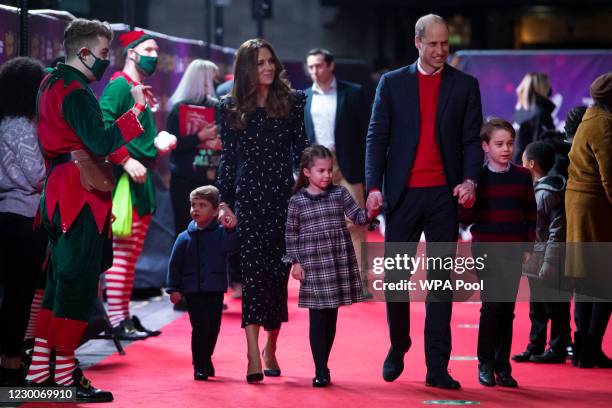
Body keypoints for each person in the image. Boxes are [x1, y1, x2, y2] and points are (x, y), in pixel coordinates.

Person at [24, 18, 149, 402]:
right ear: (83, 52)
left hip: (61, 193)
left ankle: (38, 375)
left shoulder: (50, 83)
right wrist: (137, 111)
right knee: (74, 289)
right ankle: (62, 380)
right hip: (79, 195)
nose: (106, 59)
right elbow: (100, 140)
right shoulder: (75, 91)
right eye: (103, 52)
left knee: (58, 288)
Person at [365, 14, 483, 389]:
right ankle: (399, 344)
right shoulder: (392, 83)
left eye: (445, 43)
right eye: (433, 44)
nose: (440, 51)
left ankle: (437, 367)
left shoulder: (465, 85)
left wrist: (469, 180)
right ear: (417, 42)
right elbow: (376, 138)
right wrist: (373, 186)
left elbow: (469, 142)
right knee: (397, 280)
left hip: (444, 197)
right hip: (402, 195)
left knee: (440, 284)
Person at [217, 38, 309, 383]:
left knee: (276, 277)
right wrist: (224, 201)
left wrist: (306, 192)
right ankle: (253, 353)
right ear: (246, 68)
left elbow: (301, 150)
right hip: (248, 200)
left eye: (271, 61)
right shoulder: (229, 106)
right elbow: (227, 159)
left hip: (283, 200)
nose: (268, 67)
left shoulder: (293, 101)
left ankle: (271, 344)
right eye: (260, 63)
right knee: (253, 277)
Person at [99, 30, 176, 340]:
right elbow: (102, 129)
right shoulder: (119, 86)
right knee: (121, 254)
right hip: (123, 182)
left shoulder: (139, 88)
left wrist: (157, 145)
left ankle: (122, 317)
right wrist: (123, 160)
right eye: (148, 48)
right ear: (131, 52)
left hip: (140, 180)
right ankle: (117, 321)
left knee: (130, 257)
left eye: (157, 49)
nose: (154, 54)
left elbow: (136, 138)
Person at [459, 118, 536, 388]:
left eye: (510, 143)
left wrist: (528, 247)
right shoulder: (477, 178)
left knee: (507, 309)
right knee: (492, 307)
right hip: (486, 248)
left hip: (514, 249)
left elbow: (530, 213)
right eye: (499, 144)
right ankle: (485, 363)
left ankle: (503, 366)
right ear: (485, 146)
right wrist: (466, 199)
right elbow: (465, 218)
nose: (506, 149)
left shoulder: (523, 176)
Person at [285, 145, 370, 387]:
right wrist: (296, 262)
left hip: (336, 262)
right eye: (321, 170)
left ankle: (325, 362)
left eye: (329, 170)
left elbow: (358, 217)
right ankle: (320, 369)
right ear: (306, 172)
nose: (326, 175)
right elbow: (291, 235)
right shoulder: (297, 201)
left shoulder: (340, 194)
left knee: (331, 317)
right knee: (317, 317)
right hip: (312, 264)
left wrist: (374, 208)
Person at [304, 49, 370, 294]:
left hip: (348, 165)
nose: (314, 71)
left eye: (319, 66)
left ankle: (360, 282)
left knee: (355, 223)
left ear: (331, 66)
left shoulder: (353, 93)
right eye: (311, 67)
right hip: (317, 167)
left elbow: (366, 133)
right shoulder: (304, 97)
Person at [0, 57, 47, 386]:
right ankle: (12, 365)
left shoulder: (4, 122)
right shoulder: (22, 126)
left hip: (6, 213)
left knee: (11, 294)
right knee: (20, 294)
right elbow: (36, 176)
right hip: (25, 216)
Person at [166, 186, 239, 381]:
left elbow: (233, 247)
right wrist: (173, 289)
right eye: (193, 205)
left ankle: (206, 358)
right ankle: (199, 365)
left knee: (214, 327)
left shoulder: (222, 234)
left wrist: (232, 229)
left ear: (215, 211)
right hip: (193, 290)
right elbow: (175, 265)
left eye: (202, 205)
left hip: (214, 289)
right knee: (200, 327)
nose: (195, 209)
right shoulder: (184, 237)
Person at [565, 72, 612, 368]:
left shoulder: (589, 118)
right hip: (595, 207)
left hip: (581, 204)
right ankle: (591, 347)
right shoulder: (605, 125)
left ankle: (583, 346)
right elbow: (611, 176)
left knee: (586, 279)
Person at [513, 141, 570, 364]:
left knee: (556, 305)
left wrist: (550, 262)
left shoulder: (549, 194)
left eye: (524, 160)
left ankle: (557, 348)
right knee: (537, 306)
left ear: (532, 164)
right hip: (535, 259)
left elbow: (557, 232)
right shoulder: (536, 190)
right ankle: (535, 345)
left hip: (550, 260)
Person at [167, 59, 221, 237]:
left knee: (211, 233)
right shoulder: (178, 109)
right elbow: (174, 145)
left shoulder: (218, 108)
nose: (214, 83)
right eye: (210, 79)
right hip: (184, 180)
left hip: (211, 179)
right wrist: (199, 137)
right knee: (184, 230)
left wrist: (220, 144)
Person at [512, 72, 556, 163]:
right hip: (532, 169)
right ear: (543, 88)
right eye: (547, 85)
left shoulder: (519, 112)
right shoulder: (540, 114)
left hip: (519, 165)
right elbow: (542, 148)